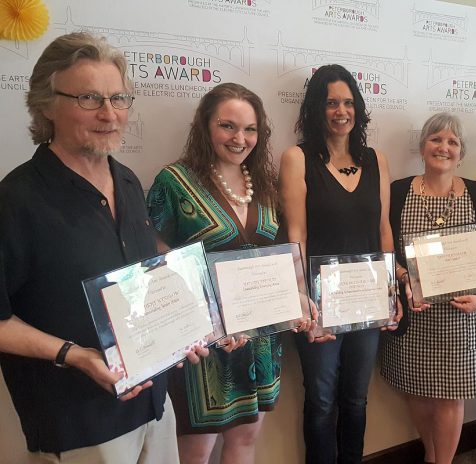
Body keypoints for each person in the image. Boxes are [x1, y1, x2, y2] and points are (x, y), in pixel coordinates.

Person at [0, 32, 206, 464]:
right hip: (79, 423)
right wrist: (74, 356)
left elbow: (143, 279)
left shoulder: (128, 181)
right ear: (46, 103)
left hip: (153, 404)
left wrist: (186, 326)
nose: (110, 114)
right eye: (90, 98)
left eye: (119, 98)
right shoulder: (15, 200)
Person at [147, 83, 301, 464]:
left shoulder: (263, 183)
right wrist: (214, 320)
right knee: (196, 451)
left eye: (250, 129)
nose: (240, 138)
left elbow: (278, 259)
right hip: (205, 344)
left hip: (260, 339)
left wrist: (297, 298)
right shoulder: (175, 181)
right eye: (227, 126)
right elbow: (156, 267)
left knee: (246, 441)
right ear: (205, 126)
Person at [279, 63, 399, 463]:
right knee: (322, 400)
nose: (341, 111)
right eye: (331, 102)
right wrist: (303, 300)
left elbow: (383, 231)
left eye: (348, 102)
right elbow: (296, 234)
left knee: (356, 399)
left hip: (367, 298)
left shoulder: (375, 159)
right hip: (320, 303)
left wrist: (390, 291)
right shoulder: (297, 158)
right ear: (317, 108)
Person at [380, 113, 476, 464]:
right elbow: (384, 250)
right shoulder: (398, 191)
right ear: (422, 146)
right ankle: (432, 456)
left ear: (461, 153)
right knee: (417, 391)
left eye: (452, 142)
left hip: (464, 320)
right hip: (416, 316)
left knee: (451, 398)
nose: (443, 147)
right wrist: (404, 279)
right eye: (436, 139)